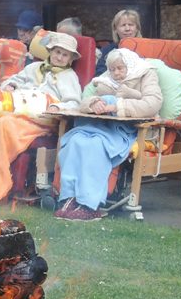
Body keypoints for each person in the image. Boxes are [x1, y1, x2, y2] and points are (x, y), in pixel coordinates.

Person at [0, 33, 83, 205]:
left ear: (71, 59)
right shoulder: (34, 67)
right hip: (16, 108)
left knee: (4, 124)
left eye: (65, 55)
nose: (59, 57)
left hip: (41, 119)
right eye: (57, 52)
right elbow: (14, 80)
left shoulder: (69, 76)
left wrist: (57, 107)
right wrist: (11, 85)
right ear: (50, 51)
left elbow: (74, 103)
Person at [54, 48, 162, 221]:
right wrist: (93, 104)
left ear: (130, 65)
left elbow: (153, 103)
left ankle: (90, 205)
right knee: (75, 140)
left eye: (120, 68)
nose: (116, 73)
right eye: (112, 69)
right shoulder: (106, 77)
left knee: (96, 145)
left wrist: (117, 106)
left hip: (125, 128)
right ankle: (70, 198)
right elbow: (84, 100)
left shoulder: (146, 74)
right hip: (98, 124)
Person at [96, 8, 142, 76]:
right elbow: (100, 74)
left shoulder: (147, 48)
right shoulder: (107, 50)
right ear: (115, 29)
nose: (127, 29)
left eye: (131, 25)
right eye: (123, 25)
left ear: (137, 28)